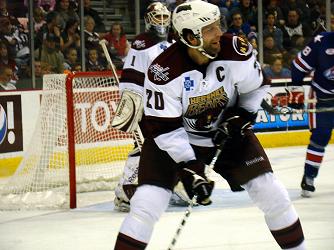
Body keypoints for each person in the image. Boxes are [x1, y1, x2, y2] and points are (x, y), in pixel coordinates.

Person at [113, 1, 306, 249]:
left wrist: (243, 115)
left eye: (219, 26)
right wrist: (190, 167)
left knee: (273, 194)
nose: (219, 34)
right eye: (210, 29)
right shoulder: (163, 71)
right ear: (190, 37)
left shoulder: (235, 49)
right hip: (175, 139)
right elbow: (164, 129)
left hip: (226, 133)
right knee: (146, 204)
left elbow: (256, 86)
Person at [112, 2, 189, 212]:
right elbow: (132, 76)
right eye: (157, 17)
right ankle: (124, 190)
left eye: (165, 17)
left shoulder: (175, 40)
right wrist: (131, 103)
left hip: (169, 106)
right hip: (147, 106)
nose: (162, 22)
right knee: (144, 146)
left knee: (170, 145)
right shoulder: (141, 43)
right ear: (148, 19)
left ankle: (170, 185)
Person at [291, 31, 334, 197]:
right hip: (321, 96)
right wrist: (295, 91)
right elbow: (298, 66)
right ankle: (308, 177)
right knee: (320, 137)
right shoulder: (321, 42)